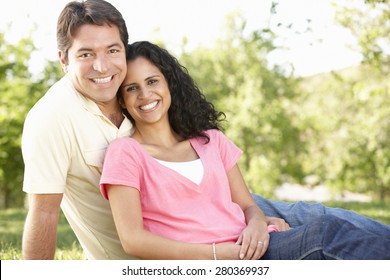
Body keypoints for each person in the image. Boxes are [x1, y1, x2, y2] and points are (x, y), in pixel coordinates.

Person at [21, 0, 390, 260]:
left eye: (112, 50)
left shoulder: (126, 83)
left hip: (218, 202)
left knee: (326, 218)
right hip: (188, 240)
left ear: (124, 48)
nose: (102, 65)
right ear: (63, 59)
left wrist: (256, 220)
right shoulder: (52, 119)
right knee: (325, 236)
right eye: (86, 54)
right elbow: (44, 214)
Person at [99, 41, 390, 260]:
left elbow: (247, 205)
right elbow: (133, 240)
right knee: (325, 235)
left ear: (169, 86)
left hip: (256, 246)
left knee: (332, 227)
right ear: (122, 101)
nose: (145, 94)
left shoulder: (210, 140)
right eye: (132, 88)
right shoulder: (126, 153)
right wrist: (217, 254)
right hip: (216, 262)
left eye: (152, 81)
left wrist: (257, 225)